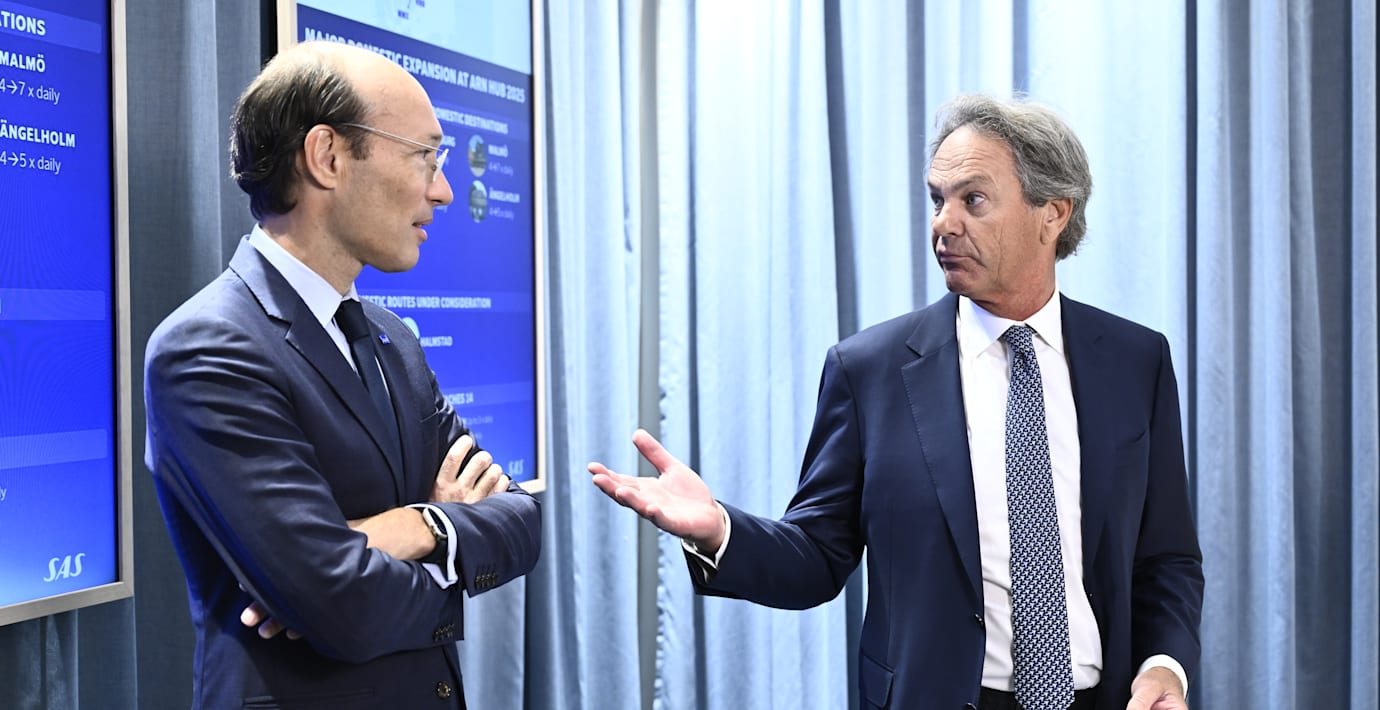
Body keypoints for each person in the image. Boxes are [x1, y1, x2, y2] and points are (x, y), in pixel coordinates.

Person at [590, 94, 1203, 710]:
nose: (944, 224)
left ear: (1053, 213)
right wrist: (719, 529)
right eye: (938, 200)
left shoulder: (1136, 362)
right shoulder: (869, 371)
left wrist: (1165, 667)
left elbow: (1167, 557)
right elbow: (817, 555)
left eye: (973, 200)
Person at [144, 41, 541, 709]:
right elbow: (340, 605)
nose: (443, 190)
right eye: (425, 157)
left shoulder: (393, 339)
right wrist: (442, 530)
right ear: (327, 156)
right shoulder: (208, 348)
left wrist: (416, 528)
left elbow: (522, 519)